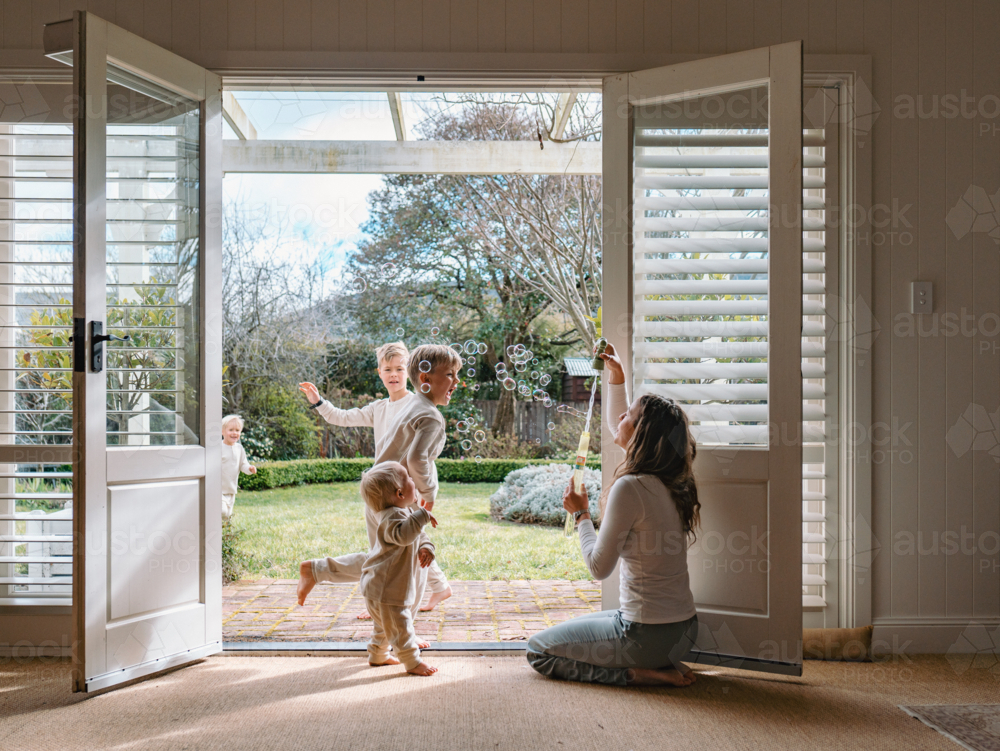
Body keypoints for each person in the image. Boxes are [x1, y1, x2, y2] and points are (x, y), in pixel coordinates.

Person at [526, 341, 701, 687]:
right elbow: (617, 426)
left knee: (538, 650)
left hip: (643, 637)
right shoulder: (674, 478)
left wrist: (581, 515)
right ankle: (659, 664)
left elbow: (598, 568)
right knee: (599, 620)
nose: (620, 418)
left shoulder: (631, 487)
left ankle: (637, 673)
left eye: (629, 416)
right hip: (684, 631)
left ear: (641, 435)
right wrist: (617, 378)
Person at [297, 343, 460, 617]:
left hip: (386, 489)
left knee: (392, 552)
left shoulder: (414, 403)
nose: (394, 374)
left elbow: (418, 459)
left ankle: (386, 608)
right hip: (396, 491)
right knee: (393, 554)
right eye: (388, 369)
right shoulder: (396, 409)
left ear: (410, 372)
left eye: (399, 368)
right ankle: (395, 617)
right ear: (380, 373)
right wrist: (319, 402)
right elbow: (418, 459)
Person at [359, 461, 439, 676]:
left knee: (384, 627)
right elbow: (404, 535)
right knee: (401, 627)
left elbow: (416, 534)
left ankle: (378, 655)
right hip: (388, 589)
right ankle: (412, 662)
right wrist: (422, 514)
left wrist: (426, 546)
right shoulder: (391, 516)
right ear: (400, 492)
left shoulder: (400, 512)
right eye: (409, 479)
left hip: (379, 587)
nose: (414, 481)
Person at [221, 414, 257, 521]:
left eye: (237, 430)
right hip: (218, 489)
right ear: (222, 431)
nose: (234, 433)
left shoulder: (239, 448)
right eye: (231, 430)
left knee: (228, 515)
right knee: (222, 511)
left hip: (231, 489)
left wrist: (249, 468)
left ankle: (225, 535)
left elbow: (243, 464)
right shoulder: (219, 448)